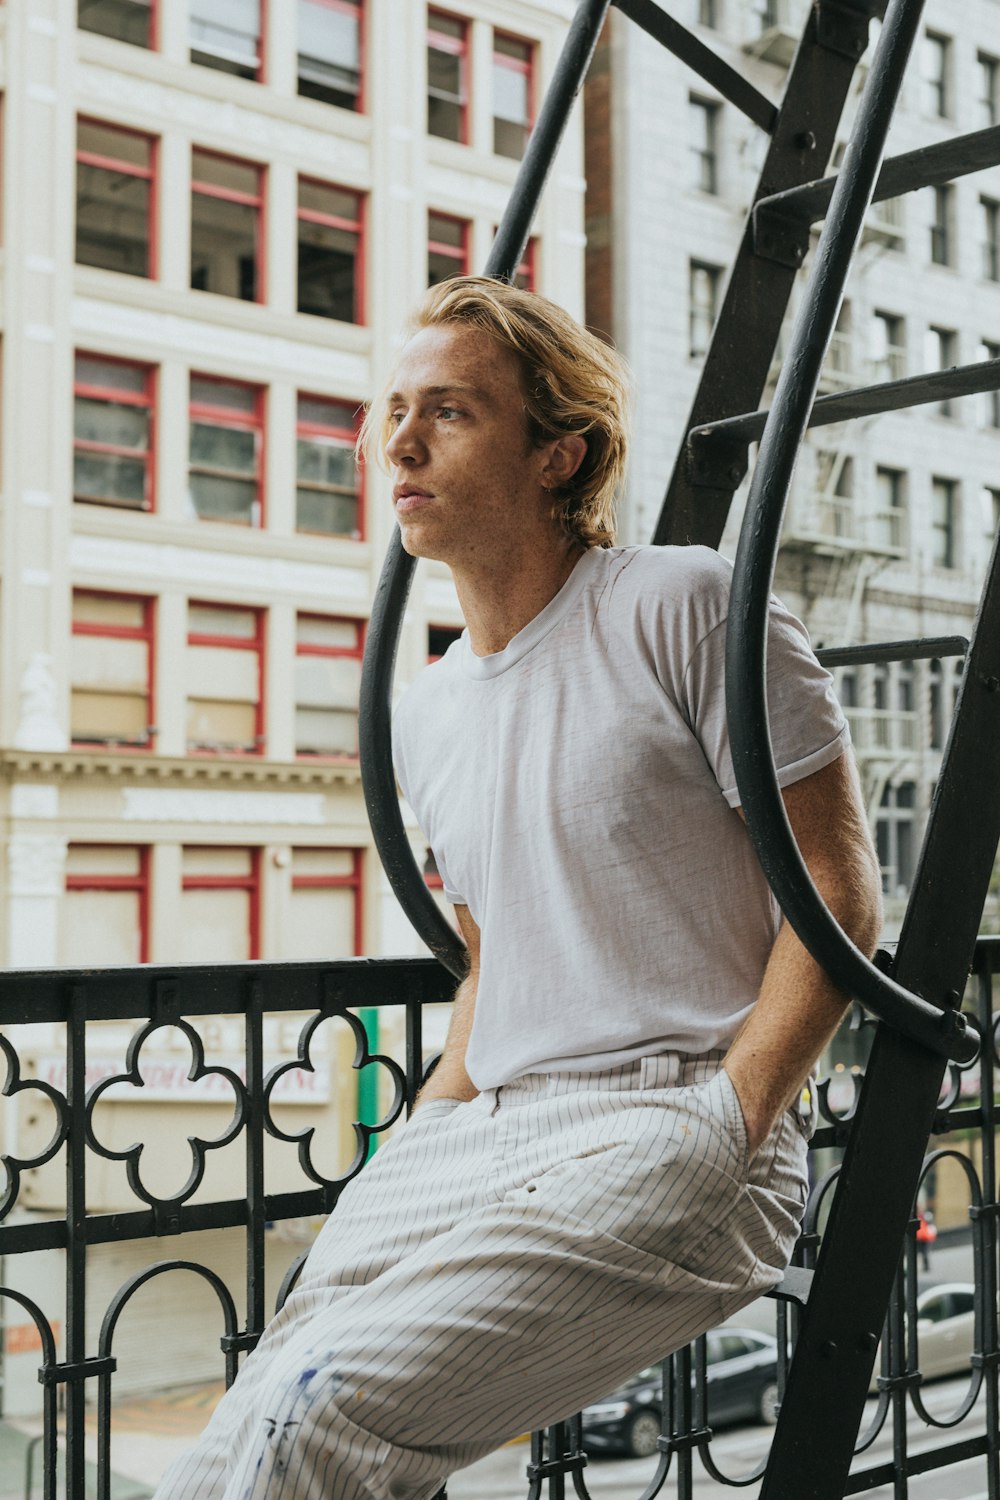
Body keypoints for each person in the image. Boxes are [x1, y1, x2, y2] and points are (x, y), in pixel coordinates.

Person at [153, 277, 882, 1500]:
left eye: (448, 411)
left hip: (672, 1116)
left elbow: (837, 889)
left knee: (312, 1420)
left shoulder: (684, 607)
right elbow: (494, 961)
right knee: (238, 1435)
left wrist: (735, 1118)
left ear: (560, 452)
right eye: (392, 410)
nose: (397, 441)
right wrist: (428, 1124)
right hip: (479, 1129)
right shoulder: (431, 708)